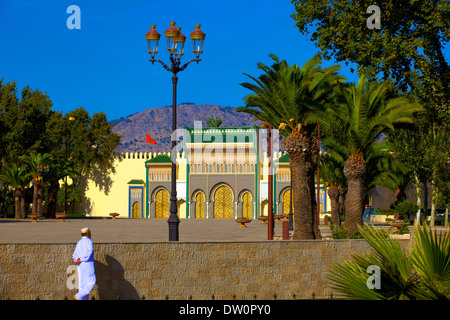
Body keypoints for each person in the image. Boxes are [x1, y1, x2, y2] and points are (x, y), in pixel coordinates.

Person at [72, 227, 96, 300]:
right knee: (91, 282)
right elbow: (90, 251)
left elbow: (74, 254)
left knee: (83, 285)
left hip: (80, 265)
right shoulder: (89, 241)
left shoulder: (79, 242)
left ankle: (80, 298)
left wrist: (77, 260)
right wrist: (82, 259)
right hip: (87, 264)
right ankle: (78, 296)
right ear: (88, 234)